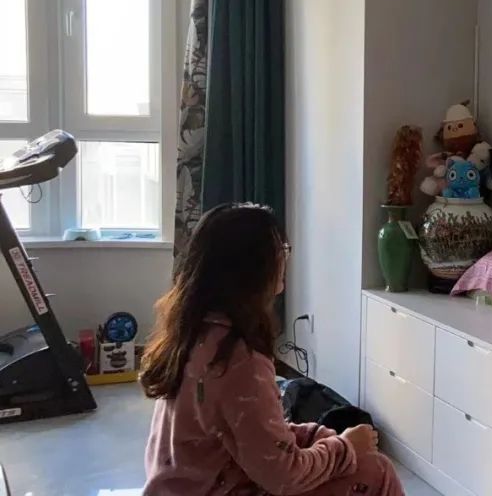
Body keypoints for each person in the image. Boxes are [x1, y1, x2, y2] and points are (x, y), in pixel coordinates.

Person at [142, 204, 403, 496]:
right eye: (281, 250)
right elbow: (284, 476)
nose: (285, 259)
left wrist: (315, 436)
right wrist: (345, 447)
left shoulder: (194, 331)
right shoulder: (238, 361)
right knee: (375, 470)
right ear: (253, 266)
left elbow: (252, 434)